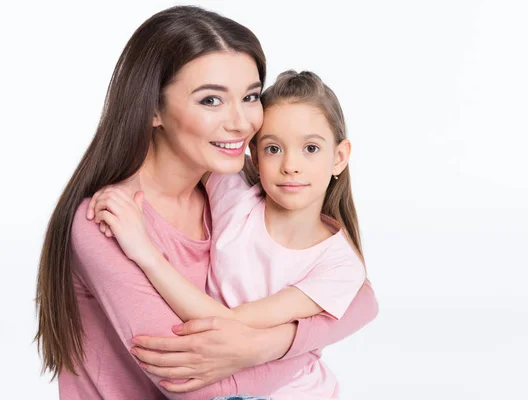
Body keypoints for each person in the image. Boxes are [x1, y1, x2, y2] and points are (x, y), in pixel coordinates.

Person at [35, 6, 378, 400]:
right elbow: (189, 383)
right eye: (211, 100)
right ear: (153, 109)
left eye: (250, 96)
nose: (242, 122)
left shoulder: (238, 182)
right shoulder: (109, 220)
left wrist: (268, 345)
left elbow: (362, 297)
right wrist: (304, 351)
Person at [90, 70, 367, 399]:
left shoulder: (340, 265)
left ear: (339, 157)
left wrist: (145, 254)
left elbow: (229, 323)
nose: (291, 165)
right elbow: (182, 146)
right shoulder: (233, 196)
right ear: (253, 153)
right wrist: (123, 186)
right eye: (273, 149)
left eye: (310, 148)